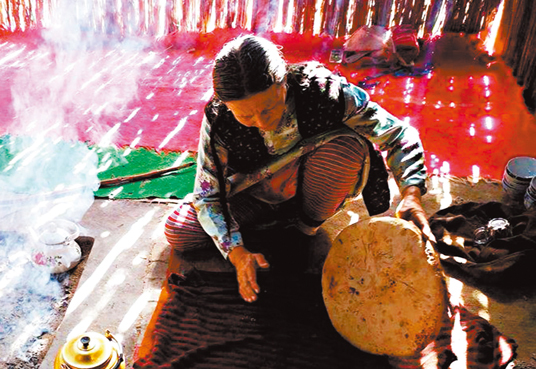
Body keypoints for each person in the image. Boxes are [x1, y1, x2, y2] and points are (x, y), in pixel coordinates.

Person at [165, 34, 434, 303]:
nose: (262, 122)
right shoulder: (219, 118)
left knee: (346, 146)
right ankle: (272, 227)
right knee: (179, 229)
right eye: (246, 116)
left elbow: (398, 135)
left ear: (283, 83)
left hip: (312, 187)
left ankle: (304, 229)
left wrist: (411, 194)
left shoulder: (324, 93)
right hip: (254, 195)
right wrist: (237, 253)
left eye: (269, 108)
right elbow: (208, 196)